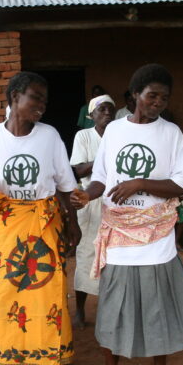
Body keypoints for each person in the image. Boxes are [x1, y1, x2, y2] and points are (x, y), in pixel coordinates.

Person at [71, 64, 183, 365]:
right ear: (134, 95)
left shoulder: (171, 133)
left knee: (157, 306)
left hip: (157, 234)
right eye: (151, 95)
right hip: (118, 232)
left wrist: (140, 183)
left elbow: (182, 185)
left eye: (164, 97)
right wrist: (89, 194)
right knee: (113, 306)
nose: (158, 102)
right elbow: (101, 177)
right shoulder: (114, 131)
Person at [0, 71, 81, 365]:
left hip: (46, 222)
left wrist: (73, 224)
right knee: (13, 295)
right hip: (9, 225)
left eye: (45, 101)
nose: (42, 106)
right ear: (14, 98)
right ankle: (20, 364)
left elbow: (65, 186)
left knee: (51, 294)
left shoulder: (49, 136)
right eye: (35, 97)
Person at [69, 94, 117, 329]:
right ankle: (79, 310)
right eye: (102, 109)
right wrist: (104, 159)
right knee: (87, 254)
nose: (107, 113)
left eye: (111, 109)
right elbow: (78, 169)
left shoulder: (120, 136)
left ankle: (112, 311)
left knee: (114, 257)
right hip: (90, 201)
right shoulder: (83, 136)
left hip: (116, 202)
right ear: (92, 115)